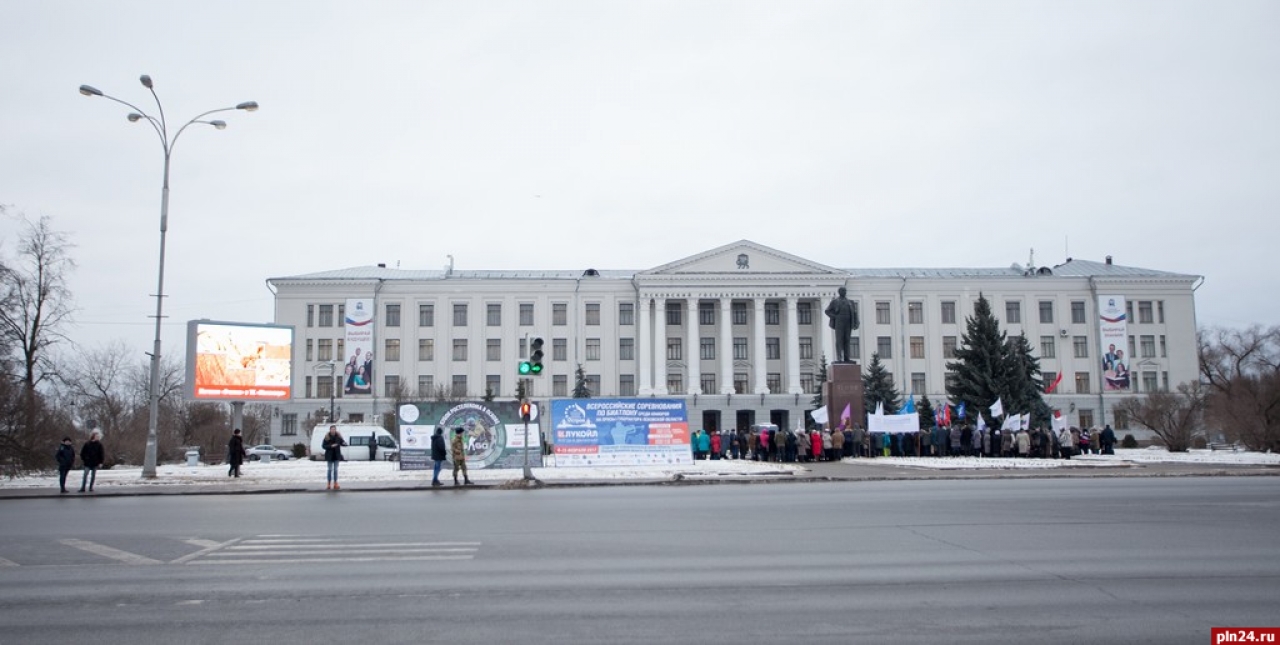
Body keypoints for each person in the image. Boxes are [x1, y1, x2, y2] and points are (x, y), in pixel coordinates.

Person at [824, 286, 860, 363]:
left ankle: (847, 358)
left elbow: (854, 313)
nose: (844, 292)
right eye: (842, 291)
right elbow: (827, 311)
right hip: (839, 321)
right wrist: (835, 316)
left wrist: (856, 322)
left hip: (848, 322)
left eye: (845, 291)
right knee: (839, 340)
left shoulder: (850, 302)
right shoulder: (835, 301)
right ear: (839, 292)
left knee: (847, 340)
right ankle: (839, 358)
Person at [322, 425, 345, 490]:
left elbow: (342, 443)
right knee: (329, 469)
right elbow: (323, 446)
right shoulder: (327, 437)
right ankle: (329, 483)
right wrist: (331, 446)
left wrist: (344, 443)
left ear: (335, 430)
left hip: (336, 455)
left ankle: (335, 483)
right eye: (332, 429)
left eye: (334, 429)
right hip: (329, 455)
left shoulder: (338, 436)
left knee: (335, 470)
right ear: (330, 430)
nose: (333, 430)